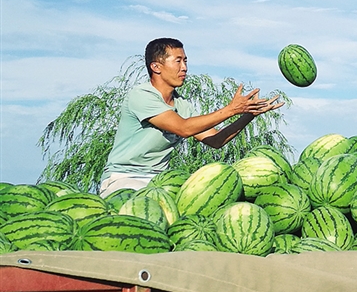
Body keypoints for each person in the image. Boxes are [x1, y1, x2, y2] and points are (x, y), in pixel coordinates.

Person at [99, 38, 283, 197]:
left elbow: (216, 140)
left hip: (161, 182)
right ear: (156, 67)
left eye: (185, 61)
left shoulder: (182, 105)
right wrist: (231, 109)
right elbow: (183, 128)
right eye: (178, 61)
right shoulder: (141, 95)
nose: (184, 68)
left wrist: (249, 115)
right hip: (124, 178)